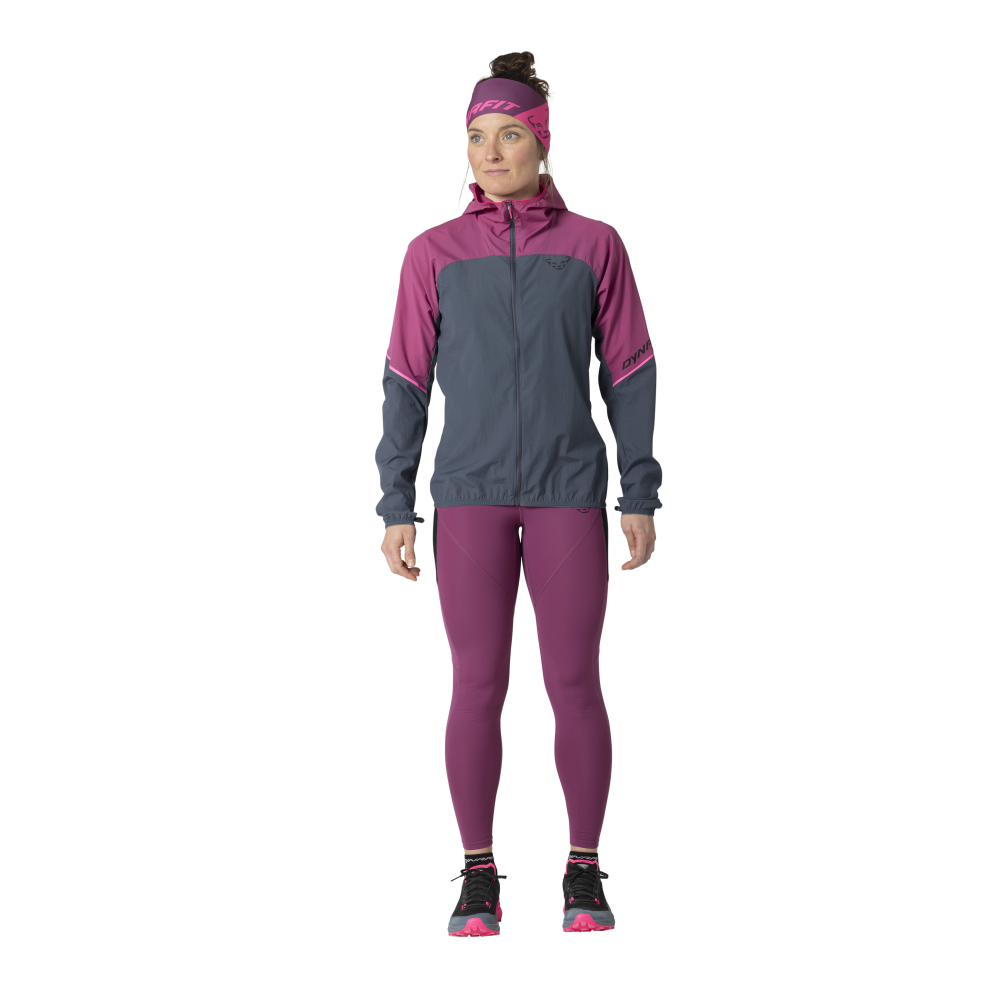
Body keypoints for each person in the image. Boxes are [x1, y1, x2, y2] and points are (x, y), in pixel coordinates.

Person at [374, 50, 662, 936]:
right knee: (476, 684)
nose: (490, 153)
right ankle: (477, 876)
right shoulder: (431, 253)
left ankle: (583, 872)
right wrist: (395, 501)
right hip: (468, 494)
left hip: (569, 491)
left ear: (542, 142)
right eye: (477, 138)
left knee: (574, 679)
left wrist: (638, 491)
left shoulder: (595, 244)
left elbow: (631, 373)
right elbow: (404, 382)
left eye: (509, 136)